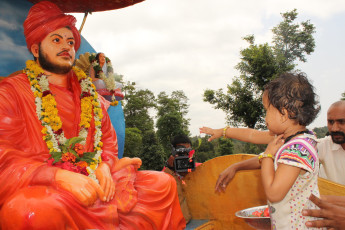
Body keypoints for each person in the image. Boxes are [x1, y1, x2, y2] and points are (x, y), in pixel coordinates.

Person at [0, 2, 185, 229]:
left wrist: (105, 167)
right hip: (45, 186)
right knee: (27, 211)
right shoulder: (11, 92)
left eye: (70, 42)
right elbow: (4, 157)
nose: (66, 47)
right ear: (36, 49)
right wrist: (59, 177)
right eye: (56, 40)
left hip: (98, 180)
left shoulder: (89, 94)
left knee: (162, 183)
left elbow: (107, 142)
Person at [201, 72, 323, 229]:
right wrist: (223, 132)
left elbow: (273, 193)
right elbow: (252, 135)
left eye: (266, 110)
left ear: (284, 114)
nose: (265, 117)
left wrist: (267, 156)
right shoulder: (293, 138)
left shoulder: (298, 150)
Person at [200, 100, 345, 192]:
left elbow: (274, 192)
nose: (335, 128)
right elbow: (255, 137)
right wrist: (236, 166)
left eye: (341, 122)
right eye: (330, 122)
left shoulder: (304, 143)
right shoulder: (315, 146)